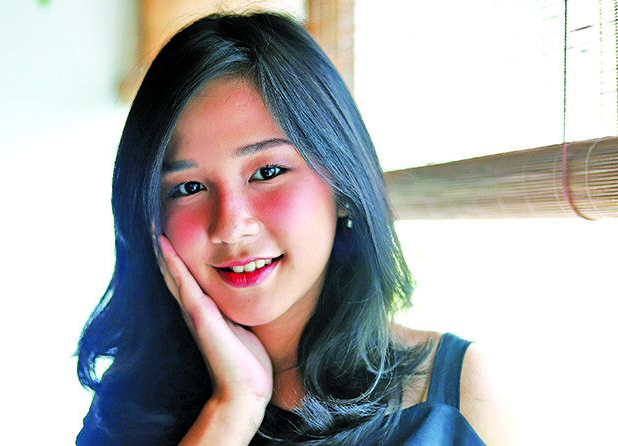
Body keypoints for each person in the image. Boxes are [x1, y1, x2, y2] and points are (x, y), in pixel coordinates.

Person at [76, 11, 507, 445]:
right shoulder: (129, 407)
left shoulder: (461, 391)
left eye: (267, 173)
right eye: (189, 187)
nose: (231, 226)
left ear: (342, 182)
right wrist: (233, 408)